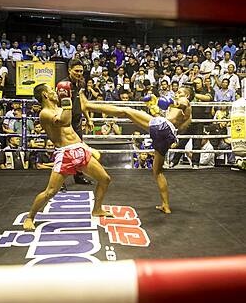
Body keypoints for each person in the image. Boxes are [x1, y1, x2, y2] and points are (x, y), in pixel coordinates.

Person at [79, 86, 194, 214]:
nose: (177, 94)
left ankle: (88, 105)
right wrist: (154, 108)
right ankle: (165, 205)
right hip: (168, 135)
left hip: (163, 128)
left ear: (187, 95)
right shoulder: (187, 115)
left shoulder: (185, 102)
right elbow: (172, 122)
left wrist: (173, 102)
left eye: (179, 92)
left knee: (126, 111)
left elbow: (182, 104)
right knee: (158, 172)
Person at [23, 82, 113, 231]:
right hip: (65, 153)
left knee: (105, 179)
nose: (54, 92)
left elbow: (70, 128)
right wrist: (66, 101)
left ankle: (97, 209)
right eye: (51, 90)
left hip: (79, 148)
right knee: (50, 192)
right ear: (45, 95)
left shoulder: (60, 108)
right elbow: (64, 121)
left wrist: (86, 147)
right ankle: (30, 217)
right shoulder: (45, 113)